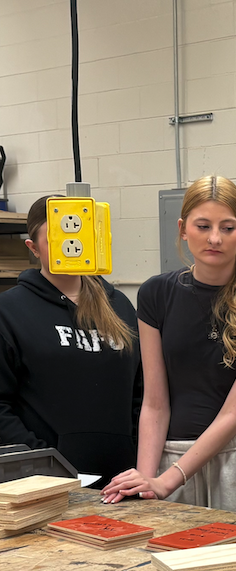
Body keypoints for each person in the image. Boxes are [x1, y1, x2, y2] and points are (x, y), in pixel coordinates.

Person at [101, 176, 236, 517]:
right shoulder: (155, 294)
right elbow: (155, 403)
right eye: (203, 226)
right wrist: (146, 479)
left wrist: (168, 480)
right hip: (170, 455)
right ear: (183, 229)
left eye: (227, 228)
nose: (214, 238)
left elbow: (234, 412)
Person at [0, 196, 141, 486]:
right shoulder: (9, 311)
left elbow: (141, 392)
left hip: (124, 480)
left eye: (77, 237)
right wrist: (44, 463)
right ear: (33, 248)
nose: (70, 247)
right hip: (47, 483)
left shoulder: (120, 306)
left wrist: (141, 458)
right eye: (56, 239)